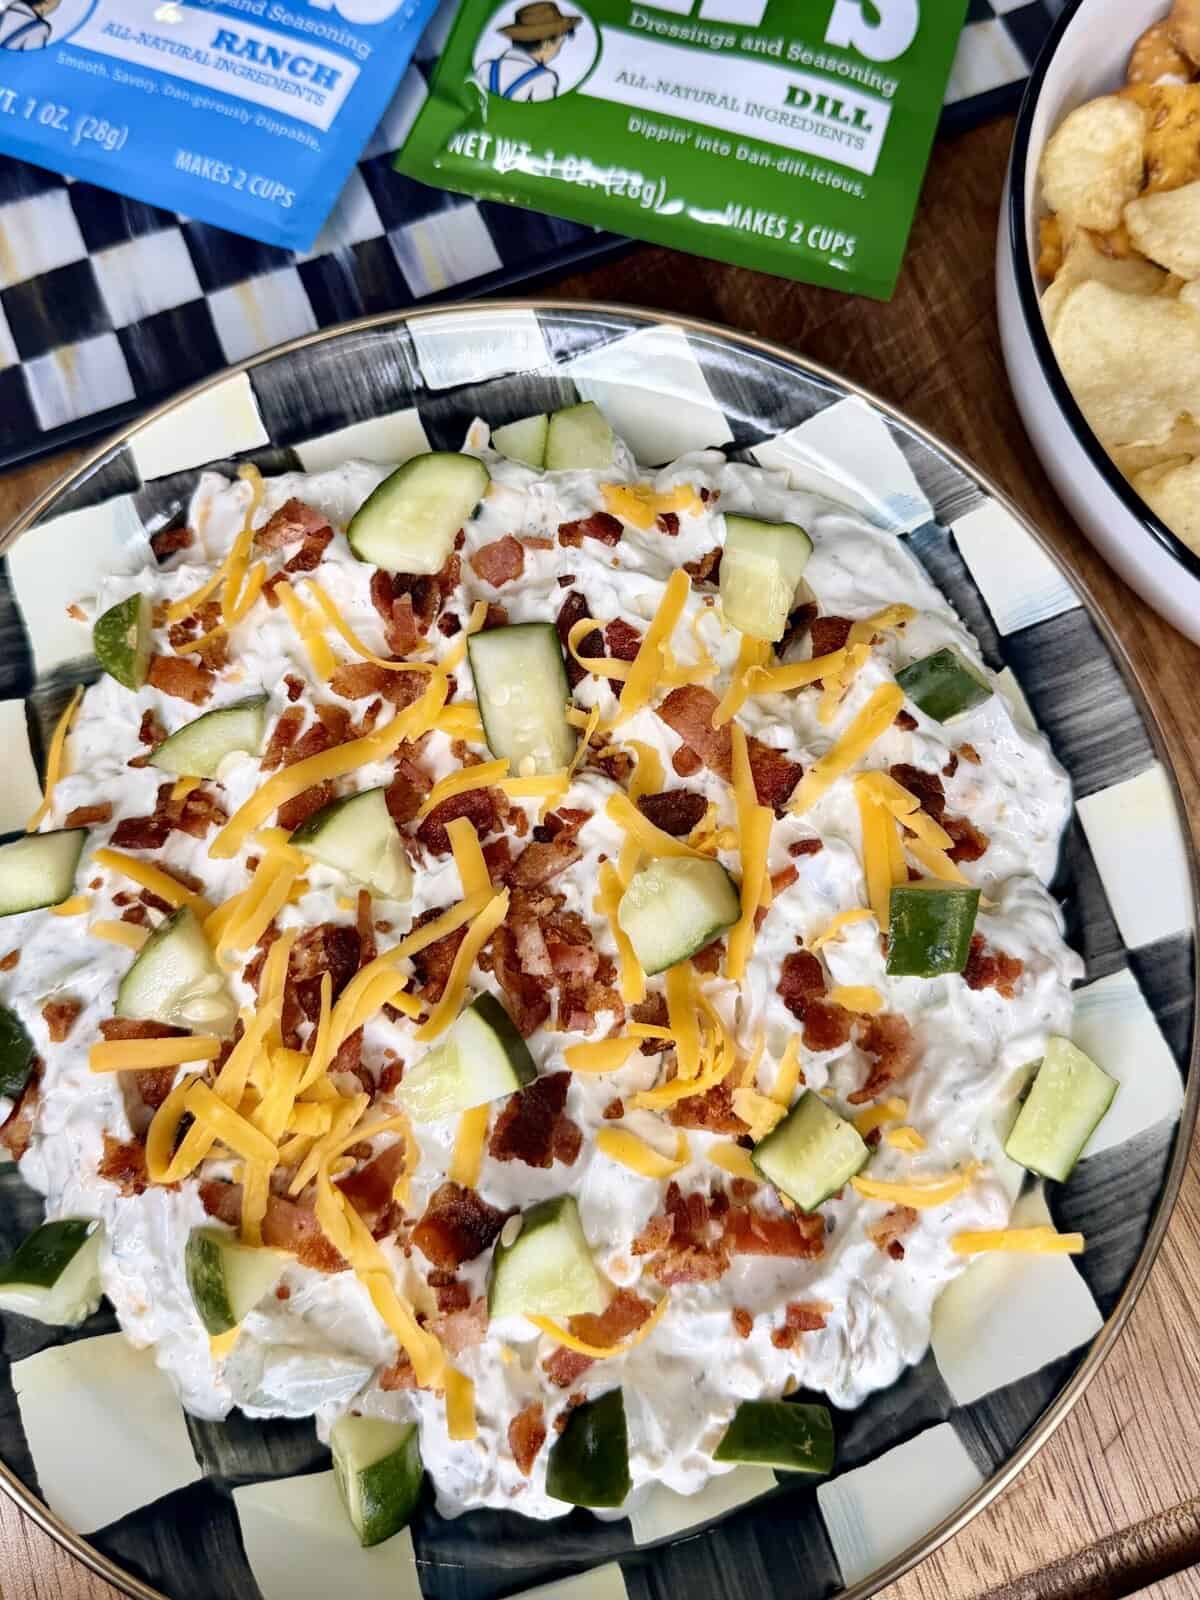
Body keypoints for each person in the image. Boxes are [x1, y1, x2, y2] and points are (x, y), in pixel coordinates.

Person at [476, 0, 581, 102]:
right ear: (547, 44)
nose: (558, 50)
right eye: (560, 44)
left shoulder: (485, 67)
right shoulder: (544, 78)